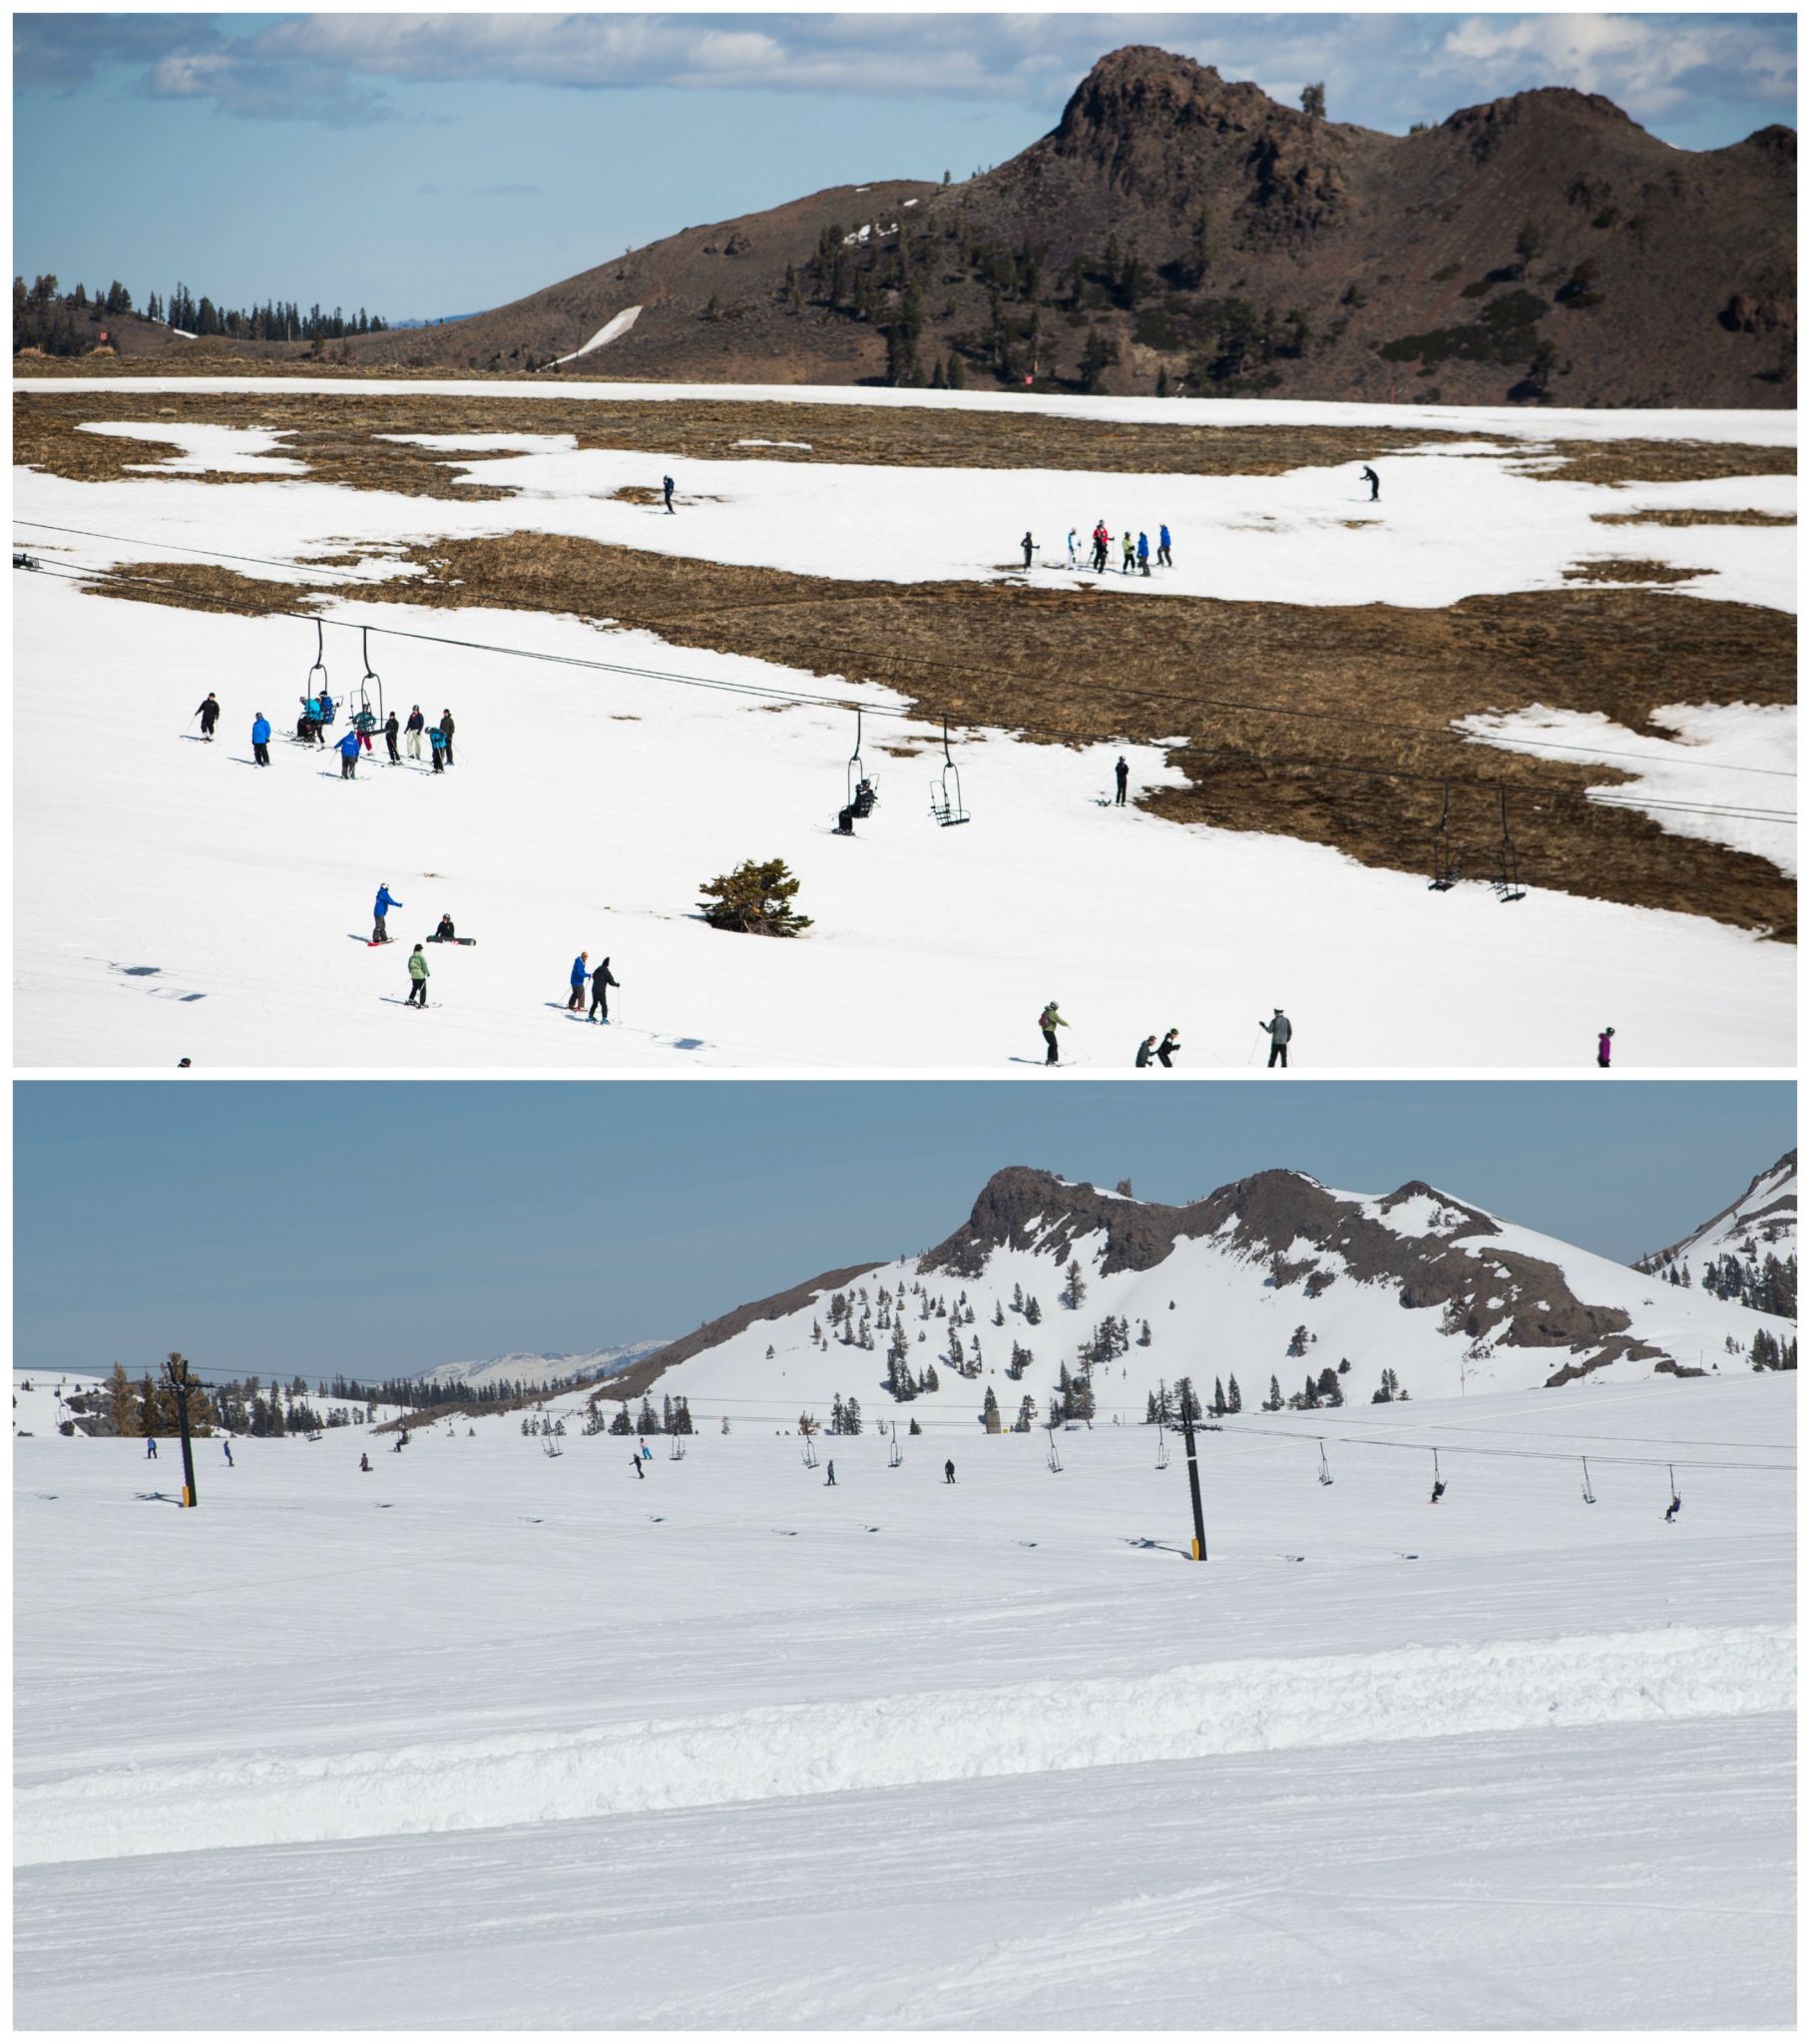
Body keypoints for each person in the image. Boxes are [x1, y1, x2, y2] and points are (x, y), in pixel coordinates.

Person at [589, 956, 620, 1022]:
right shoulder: (606, 972)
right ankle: (604, 1019)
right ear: (607, 964)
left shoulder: (597, 970)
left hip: (594, 990)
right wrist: (617, 984)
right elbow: (611, 982)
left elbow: (593, 977)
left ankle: (590, 1016)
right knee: (604, 1005)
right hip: (601, 991)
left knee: (594, 1003)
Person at [1039, 1000, 1068, 1067]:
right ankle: (1054, 1061)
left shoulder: (1046, 1011)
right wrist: (1067, 1024)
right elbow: (1059, 1020)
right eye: (1057, 1007)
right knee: (1054, 1045)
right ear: (1054, 1007)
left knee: (1052, 1045)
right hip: (1049, 1031)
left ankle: (1049, 1060)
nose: (1057, 1009)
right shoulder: (1052, 1013)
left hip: (1045, 1031)